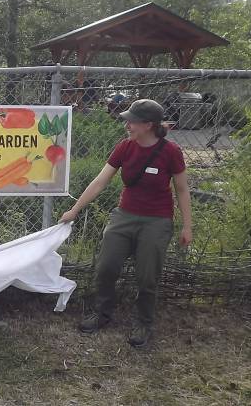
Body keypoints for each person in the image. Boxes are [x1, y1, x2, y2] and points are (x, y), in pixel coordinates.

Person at [59, 99, 192, 348]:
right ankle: (102, 313)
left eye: (132, 121)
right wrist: (74, 210)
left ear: (149, 125)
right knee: (106, 267)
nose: (127, 124)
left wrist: (187, 226)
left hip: (157, 220)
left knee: (147, 276)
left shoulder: (170, 151)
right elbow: (100, 181)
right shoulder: (124, 148)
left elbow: (182, 190)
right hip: (124, 215)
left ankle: (144, 322)